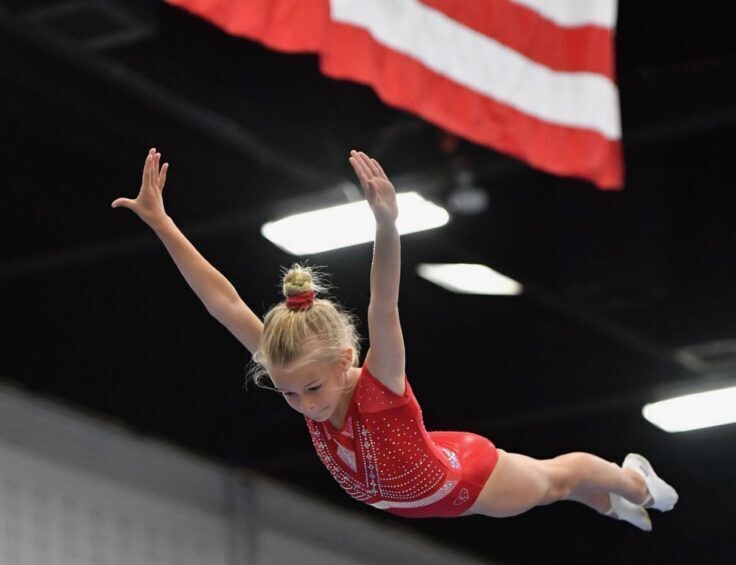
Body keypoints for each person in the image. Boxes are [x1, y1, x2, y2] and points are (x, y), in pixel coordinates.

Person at [112, 148, 678, 529]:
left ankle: (636, 485)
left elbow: (384, 303)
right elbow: (224, 303)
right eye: (290, 396)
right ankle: (610, 502)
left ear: (346, 359)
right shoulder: (297, 367)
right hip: (411, 485)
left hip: (462, 482)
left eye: (311, 388)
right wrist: (163, 223)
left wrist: (386, 225)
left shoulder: (380, 384)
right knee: (560, 488)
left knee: (557, 479)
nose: (305, 404)